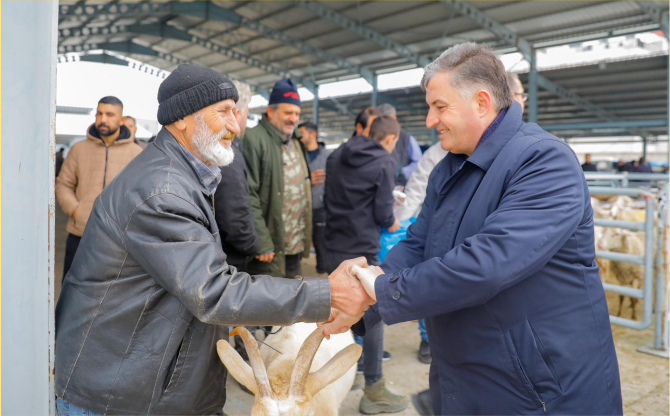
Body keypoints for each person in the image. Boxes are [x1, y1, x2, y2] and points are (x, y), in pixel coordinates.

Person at [54, 64, 374, 416]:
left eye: (236, 112)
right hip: (117, 393)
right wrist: (327, 293)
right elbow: (215, 291)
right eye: (223, 112)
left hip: (133, 377)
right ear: (182, 119)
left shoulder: (180, 175)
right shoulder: (161, 190)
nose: (236, 125)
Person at [324, 43, 622, 415]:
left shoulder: (544, 160)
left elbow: (490, 262)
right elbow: (418, 243)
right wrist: (366, 298)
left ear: (481, 103)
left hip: (540, 387)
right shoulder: (450, 167)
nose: (430, 120)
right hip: (469, 377)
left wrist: (383, 290)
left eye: (440, 107)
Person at [324, 114, 407, 414]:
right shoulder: (385, 163)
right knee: (373, 315)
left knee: (341, 312)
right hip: (361, 251)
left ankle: (354, 373)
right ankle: (374, 389)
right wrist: (394, 221)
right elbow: (383, 212)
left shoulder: (336, 156)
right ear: (390, 139)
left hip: (333, 245)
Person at [55, 96, 142, 281]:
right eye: (99, 113)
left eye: (110, 114)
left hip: (118, 240)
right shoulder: (79, 149)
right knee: (71, 292)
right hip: (80, 235)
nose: (103, 119)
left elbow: (141, 195)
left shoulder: (136, 155)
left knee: (110, 297)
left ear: (121, 120)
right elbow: (63, 185)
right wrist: (77, 211)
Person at [242, 78, 312, 279]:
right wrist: (262, 242)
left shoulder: (297, 141)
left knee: (295, 303)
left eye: (297, 113)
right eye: (288, 112)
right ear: (271, 111)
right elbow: (248, 195)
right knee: (270, 305)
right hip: (271, 247)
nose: (293, 118)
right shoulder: (254, 139)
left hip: (294, 245)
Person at [213, 80, 259, 272]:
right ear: (237, 114)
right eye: (247, 115)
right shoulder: (227, 153)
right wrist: (252, 247)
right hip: (230, 258)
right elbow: (235, 213)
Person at [298, 121, 331, 276]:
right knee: (298, 242)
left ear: (313, 134)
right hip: (299, 207)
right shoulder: (298, 155)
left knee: (321, 243)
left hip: (321, 207)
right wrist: (307, 181)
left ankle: (322, 274)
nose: (299, 136)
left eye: (302, 132)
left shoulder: (328, 157)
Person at [377, 103, 422, 186]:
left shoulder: (406, 138)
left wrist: (399, 173)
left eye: (389, 120)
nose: (386, 124)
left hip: (402, 187)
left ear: (395, 119)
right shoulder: (375, 137)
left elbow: (418, 163)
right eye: (382, 120)